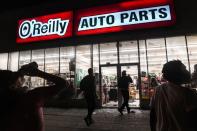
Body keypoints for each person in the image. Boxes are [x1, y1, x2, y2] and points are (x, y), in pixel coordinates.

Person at [0, 62, 69, 131]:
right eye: (15, 77)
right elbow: (63, 83)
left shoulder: (4, 100)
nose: (21, 77)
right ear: (12, 85)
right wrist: (37, 73)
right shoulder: (31, 97)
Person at [150, 60, 197, 131]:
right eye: (184, 69)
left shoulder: (158, 90)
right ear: (177, 73)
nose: (188, 72)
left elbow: (153, 115)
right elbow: (193, 120)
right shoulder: (187, 93)